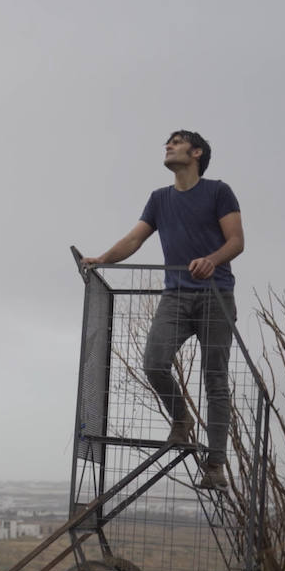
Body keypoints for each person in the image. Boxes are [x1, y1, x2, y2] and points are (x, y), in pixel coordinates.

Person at [81, 130, 244, 490]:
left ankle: (215, 465)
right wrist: (103, 259)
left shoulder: (218, 191)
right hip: (176, 296)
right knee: (154, 362)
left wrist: (212, 260)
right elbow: (135, 238)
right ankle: (182, 419)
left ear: (196, 152)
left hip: (216, 295)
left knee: (215, 380)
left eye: (177, 141)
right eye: (167, 143)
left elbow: (236, 241)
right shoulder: (159, 199)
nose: (168, 146)